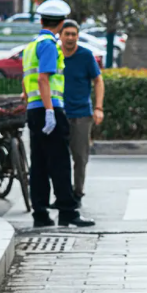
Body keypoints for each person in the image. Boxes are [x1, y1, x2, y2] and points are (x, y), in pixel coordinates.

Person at [21, 0, 94, 228]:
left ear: (41, 20)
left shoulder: (31, 45)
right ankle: (67, 212)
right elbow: (44, 78)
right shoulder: (49, 45)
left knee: (39, 164)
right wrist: (51, 111)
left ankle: (40, 214)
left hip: (34, 109)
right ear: (61, 24)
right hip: (48, 108)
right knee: (60, 163)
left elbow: (26, 80)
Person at [60, 19, 104, 202]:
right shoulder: (54, 55)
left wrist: (98, 107)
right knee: (59, 158)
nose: (70, 38)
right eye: (67, 34)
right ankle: (62, 194)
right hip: (58, 113)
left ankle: (77, 192)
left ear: (78, 36)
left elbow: (98, 81)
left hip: (81, 114)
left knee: (80, 157)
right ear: (60, 36)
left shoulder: (86, 56)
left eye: (73, 34)